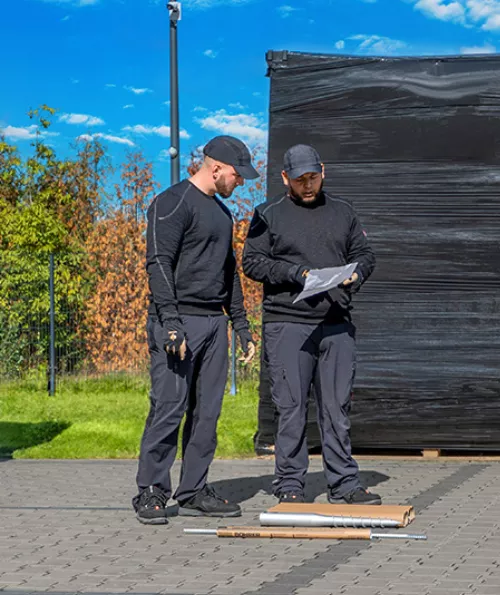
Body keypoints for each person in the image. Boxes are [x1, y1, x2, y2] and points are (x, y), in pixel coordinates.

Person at [243, 144, 381, 505]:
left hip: (336, 324)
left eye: (313, 178)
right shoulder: (267, 214)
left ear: (323, 171)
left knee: (337, 407)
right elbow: (252, 263)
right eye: (300, 180)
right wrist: (294, 273)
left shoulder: (343, 212)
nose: (308, 186)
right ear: (285, 177)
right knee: (290, 407)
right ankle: (290, 484)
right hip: (287, 324)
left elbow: (365, 255)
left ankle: (345, 483)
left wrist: (356, 275)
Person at [133, 135, 257, 525]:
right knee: (169, 408)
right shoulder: (171, 204)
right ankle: (151, 491)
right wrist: (170, 323)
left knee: (206, 413)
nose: (241, 182)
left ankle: (193, 489)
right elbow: (158, 263)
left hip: (213, 323)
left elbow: (228, 273)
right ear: (215, 167)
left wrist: (241, 326)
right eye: (237, 176)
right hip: (177, 321)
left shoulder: (222, 215)